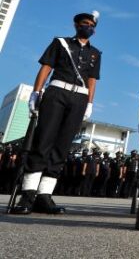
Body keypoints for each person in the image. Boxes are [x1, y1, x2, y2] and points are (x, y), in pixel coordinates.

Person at [10, 11, 101, 214]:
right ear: (76, 25)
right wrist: (36, 92)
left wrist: (89, 103)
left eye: (92, 25)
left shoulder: (96, 53)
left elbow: (92, 79)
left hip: (79, 98)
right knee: (43, 140)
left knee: (62, 146)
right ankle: (28, 195)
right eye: (85, 23)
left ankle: (44, 195)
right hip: (56, 93)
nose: (89, 27)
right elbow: (46, 68)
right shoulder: (60, 43)